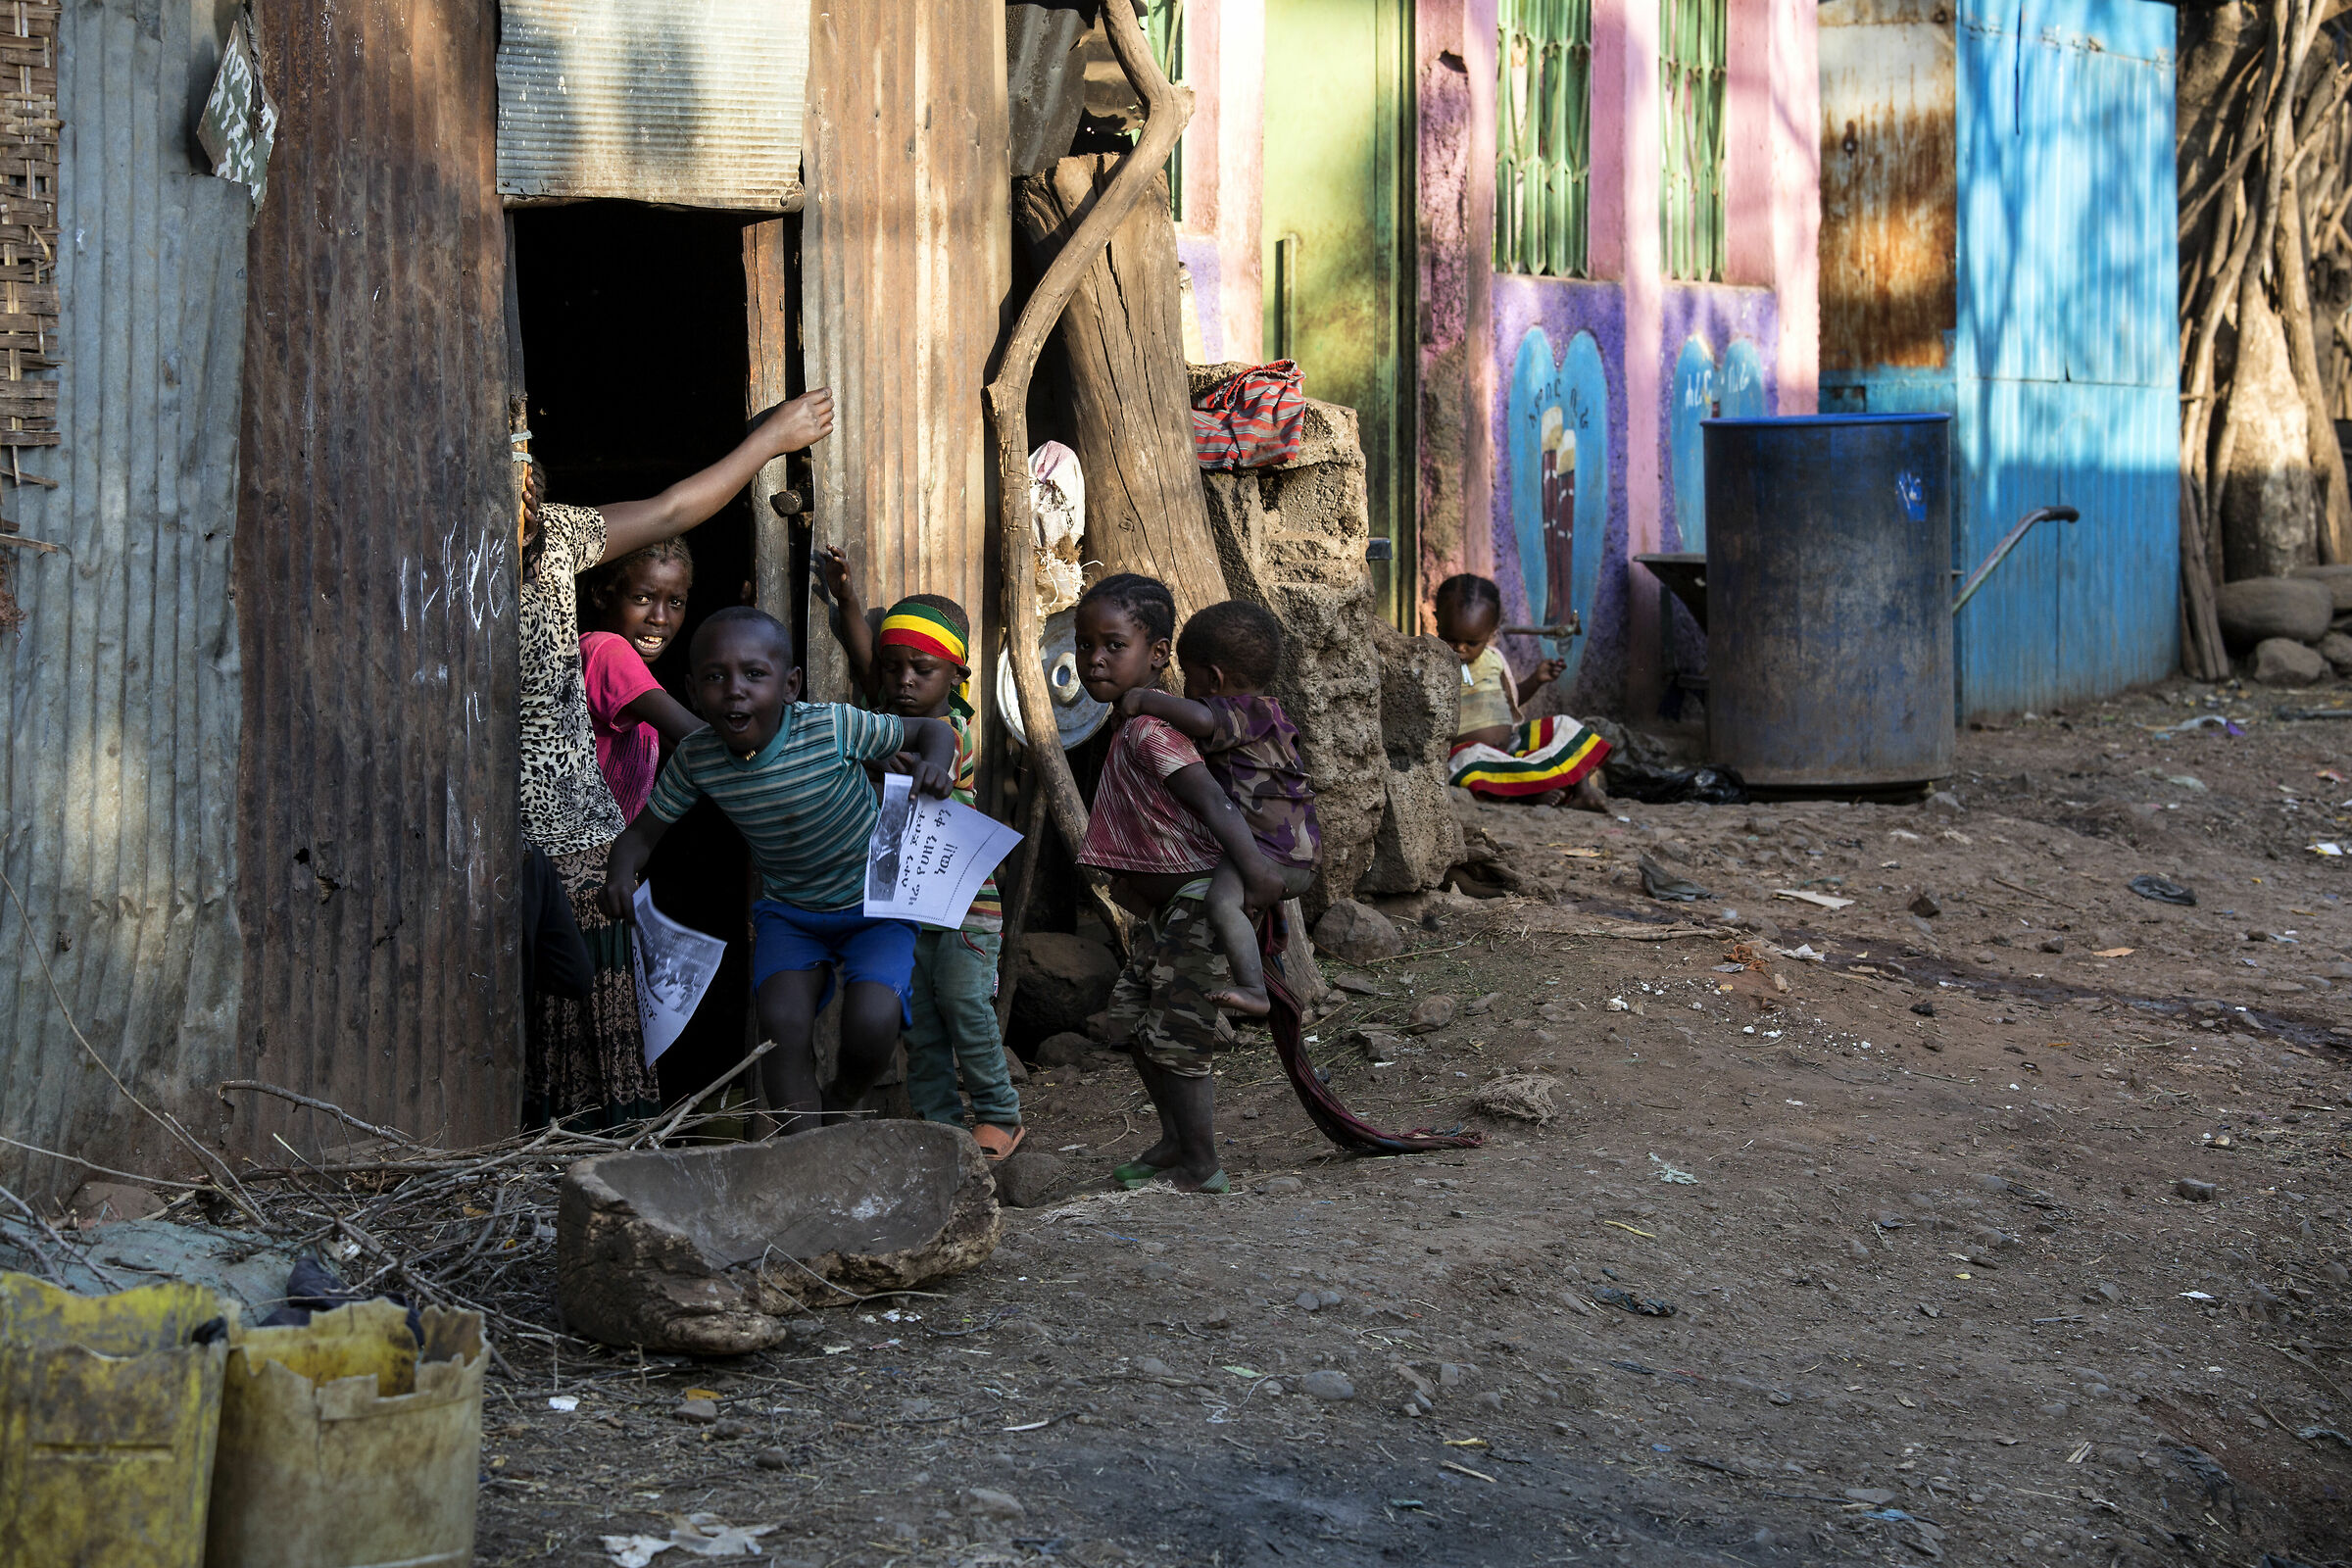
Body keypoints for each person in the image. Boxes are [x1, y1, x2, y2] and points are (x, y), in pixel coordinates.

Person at [516, 388, 831, 1127]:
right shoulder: (451, 552)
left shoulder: (555, 540)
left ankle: (584, 1170)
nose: (520, 479)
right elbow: (693, 737)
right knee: (568, 1038)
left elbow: (672, 508)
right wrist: (791, 749)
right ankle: (571, 1168)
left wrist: (769, 442)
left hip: (582, 848)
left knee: (580, 1033)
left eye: (524, 462)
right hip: (542, 852)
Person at [599, 607, 959, 1134]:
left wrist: (934, 760)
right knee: (781, 1026)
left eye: (754, 674)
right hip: (791, 914)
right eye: (715, 677)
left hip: (875, 901)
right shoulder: (698, 758)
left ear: (790, 684)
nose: (734, 690)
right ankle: (804, 1153)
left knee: (873, 1026)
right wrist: (619, 873)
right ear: (692, 692)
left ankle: (841, 1098)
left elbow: (929, 730)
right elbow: (640, 836)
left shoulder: (832, 727)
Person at [1072, 574, 1287, 1195]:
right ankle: (1175, 1141)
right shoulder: (1129, 723)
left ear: (1159, 654)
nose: (1094, 659)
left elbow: (1215, 804)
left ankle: (1201, 1161)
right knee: (1133, 1023)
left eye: (1114, 645)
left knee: (1177, 1037)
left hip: (1195, 906)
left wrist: (1254, 873)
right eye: (1085, 645)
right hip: (1166, 914)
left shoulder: (1151, 727)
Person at [818, 548, 1024, 1158]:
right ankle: (941, 1128)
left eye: (922, 670)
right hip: (902, 901)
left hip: (962, 905)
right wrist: (848, 599)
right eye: (895, 669)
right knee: (923, 1025)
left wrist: (873, 759)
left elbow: (927, 767)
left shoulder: (954, 727)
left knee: (964, 1004)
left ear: (956, 676)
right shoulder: (888, 714)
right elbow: (866, 654)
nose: (905, 681)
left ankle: (1000, 1116)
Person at [1114, 600, 1317, 1016]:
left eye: (1187, 677)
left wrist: (1143, 699)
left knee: (1221, 903)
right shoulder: (1268, 716)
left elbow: (1200, 719)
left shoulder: (1244, 714)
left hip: (1272, 853)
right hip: (1295, 853)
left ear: (1213, 679)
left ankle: (1253, 989)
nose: (1183, 687)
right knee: (1229, 903)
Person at [1434, 572, 1610, 810]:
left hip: (1511, 747)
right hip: (1473, 755)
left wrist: (1536, 680)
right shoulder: (1433, 664)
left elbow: (1510, 701)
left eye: (1472, 643)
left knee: (1564, 726)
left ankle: (1583, 791)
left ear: (1491, 632)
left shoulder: (1494, 660)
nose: (1461, 649)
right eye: (1451, 639)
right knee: (1467, 765)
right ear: (1437, 623)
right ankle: (1530, 794)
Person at [579, 539, 707, 822]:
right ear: (602, 595)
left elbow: (694, 757)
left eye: (675, 602)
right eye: (643, 598)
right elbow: (700, 740)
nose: (660, 618)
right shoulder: (607, 650)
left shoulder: (635, 685)